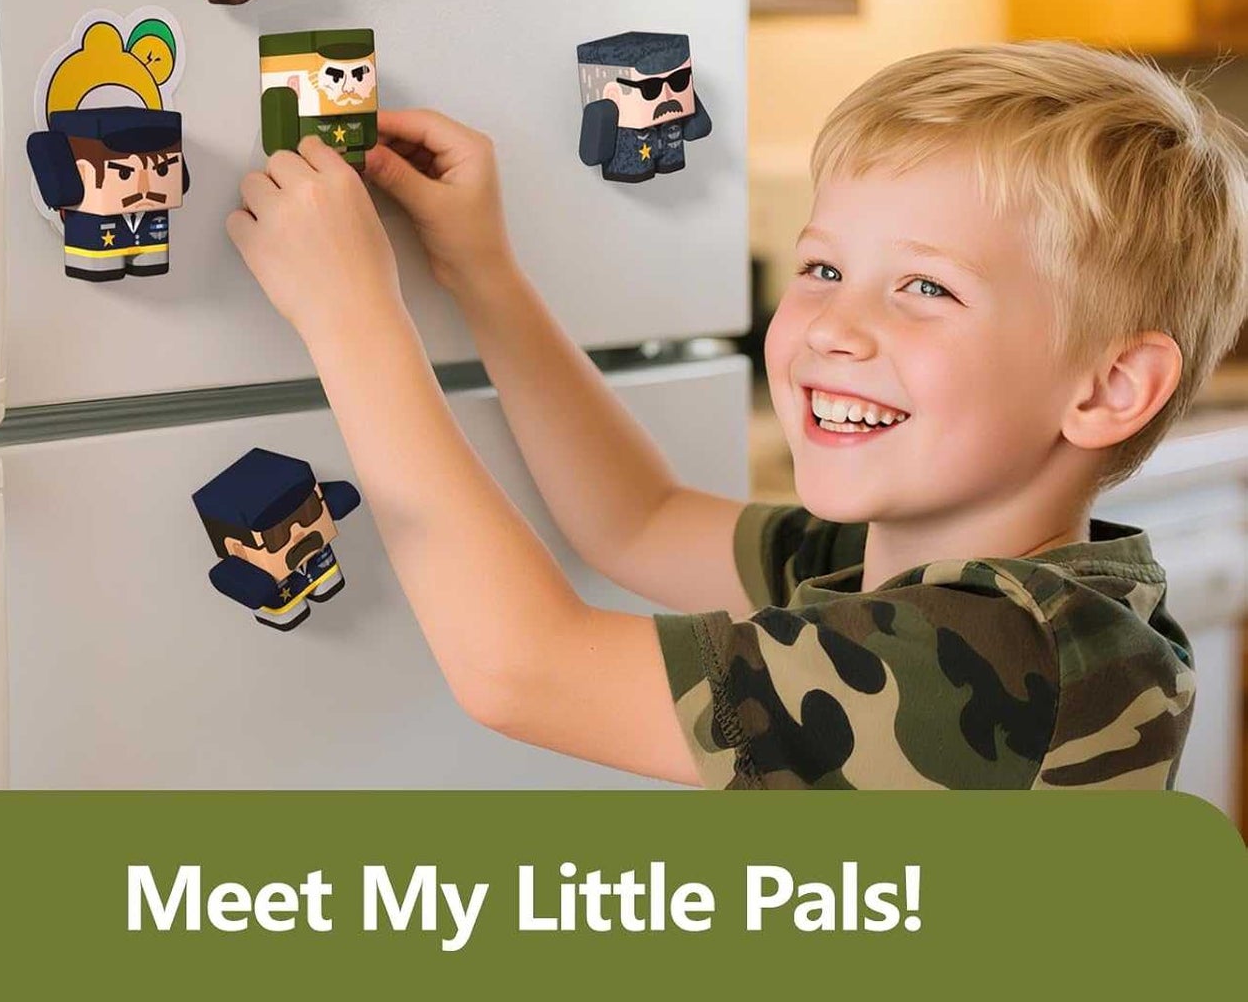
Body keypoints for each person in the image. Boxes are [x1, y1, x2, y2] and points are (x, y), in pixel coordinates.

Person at [225, 42, 1248, 789]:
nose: (831, 326)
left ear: (1108, 389)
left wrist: (349, 317)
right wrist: (479, 273)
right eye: (823, 267)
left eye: (925, 288)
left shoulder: (1000, 654)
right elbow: (637, 519)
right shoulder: (927, 568)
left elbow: (522, 669)